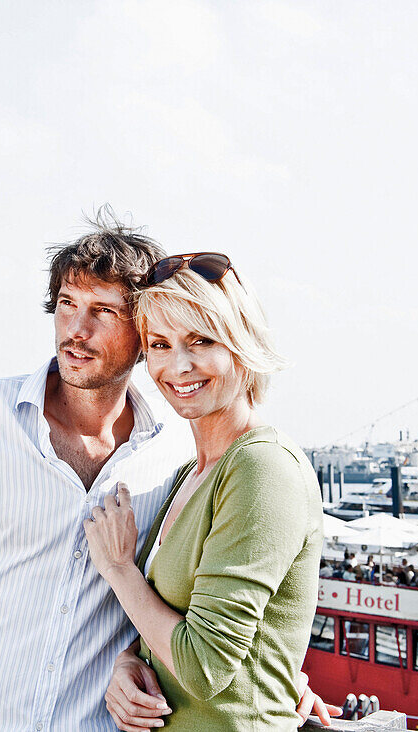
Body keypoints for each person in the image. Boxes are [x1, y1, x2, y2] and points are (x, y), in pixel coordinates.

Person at [0, 218, 336, 730]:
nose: (77, 330)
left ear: (138, 337)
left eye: (102, 311)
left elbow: (208, 618)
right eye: (67, 305)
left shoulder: (172, 454)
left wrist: (280, 673)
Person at [85, 252, 323, 731]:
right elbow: (178, 626)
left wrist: (118, 568)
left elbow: (204, 666)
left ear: (240, 343)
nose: (179, 365)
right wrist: (129, 661)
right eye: (159, 344)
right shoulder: (188, 476)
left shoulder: (262, 468)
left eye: (201, 340)